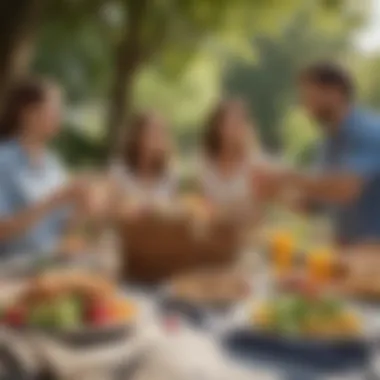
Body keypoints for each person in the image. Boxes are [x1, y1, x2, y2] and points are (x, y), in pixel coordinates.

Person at [253, 62, 380, 247]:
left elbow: (346, 189)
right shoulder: (328, 143)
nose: (304, 103)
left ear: (334, 92)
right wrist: (274, 194)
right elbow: (315, 205)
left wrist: (288, 176)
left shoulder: (368, 131)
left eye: (308, 94)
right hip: (351, 251)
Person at [0, 77, 88, 258]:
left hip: (48, 265)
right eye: (54, 109)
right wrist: (53, 201)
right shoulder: (4, 161)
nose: (60, 116)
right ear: (27, 113)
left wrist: (84, 208)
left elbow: (62, 229)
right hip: (10, 271)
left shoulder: (53, 164)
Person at [199, 99, 262, 211]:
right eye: (232, 122)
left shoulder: (256, 164)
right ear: (218, 128)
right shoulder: (205, 165)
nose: (238, 127)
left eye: (241, 121)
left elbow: (258, 211)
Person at [112, 111, 177, 209]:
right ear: (137, 137)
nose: (159, 140)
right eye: (153, 134)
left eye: (162, 134)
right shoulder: (119, 171)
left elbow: (173, 210)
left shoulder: (169, 174)